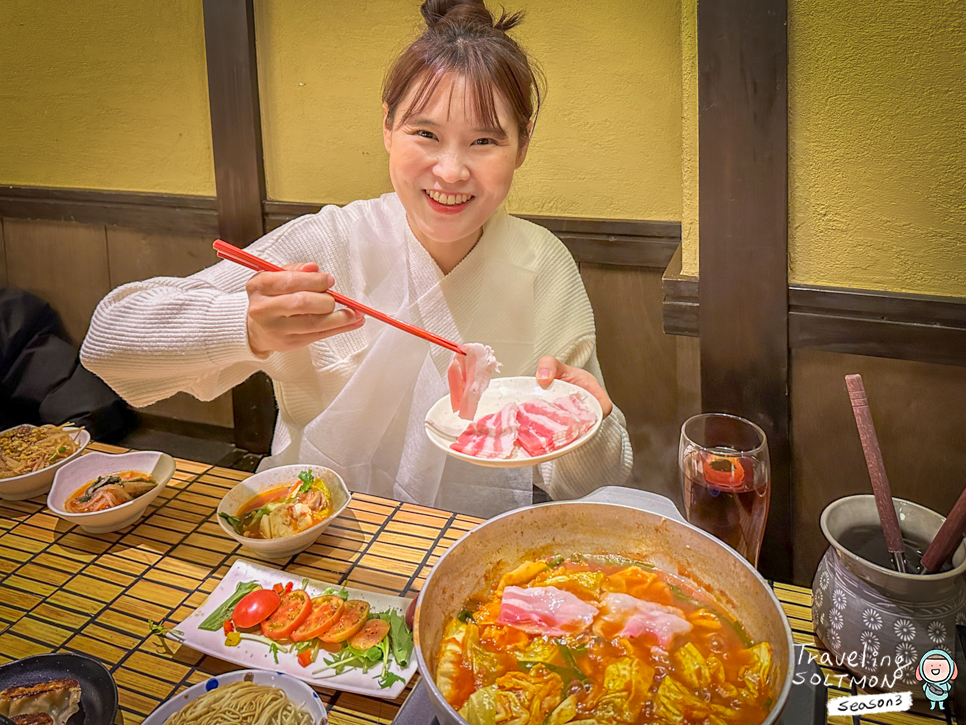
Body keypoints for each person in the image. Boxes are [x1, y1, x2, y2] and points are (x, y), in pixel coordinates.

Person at [81, 0, 633, 517]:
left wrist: (587, 423)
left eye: (484, 142)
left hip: (471, 553)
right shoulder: (332, 241)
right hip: (311, 536)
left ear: (523, 145)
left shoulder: (542, 265)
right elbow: (108, 341)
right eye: (425, 134)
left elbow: (593, 482)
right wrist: (244, 326)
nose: (450, 171)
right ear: (388, 128)